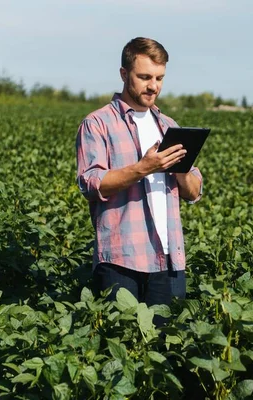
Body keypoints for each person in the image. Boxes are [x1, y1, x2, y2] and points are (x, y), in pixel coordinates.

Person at [75, 37, 203, 325]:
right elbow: (91, 183)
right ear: (124, 74)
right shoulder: (98, 124)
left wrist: (179, 168)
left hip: (168, 257)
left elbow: (194, 192)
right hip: (122, 259)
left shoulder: (169, 126)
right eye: (144, 77)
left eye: (159, 78)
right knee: (121, 349)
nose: (153, 86)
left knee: (165, 352)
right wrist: (144, 167)